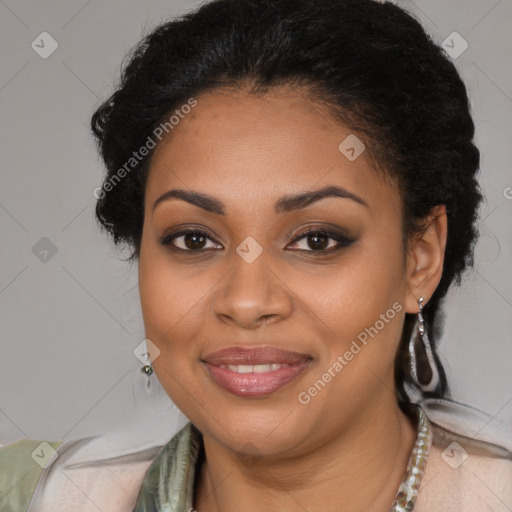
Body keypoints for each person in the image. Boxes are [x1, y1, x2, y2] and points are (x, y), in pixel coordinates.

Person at [1, 0, 511, 511]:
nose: (246, 302)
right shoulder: (36, 498)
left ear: (420, 258)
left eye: (316, 240)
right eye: (194, 239)